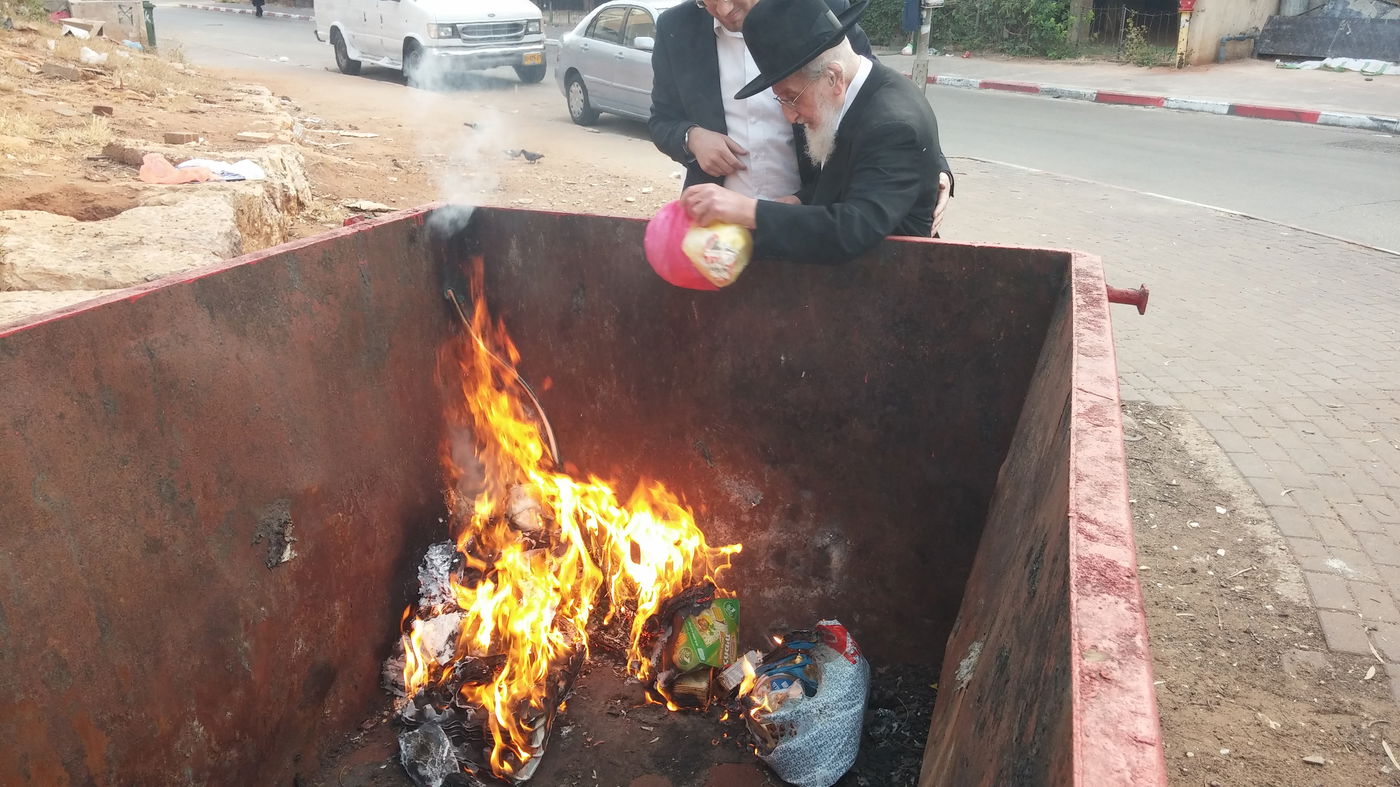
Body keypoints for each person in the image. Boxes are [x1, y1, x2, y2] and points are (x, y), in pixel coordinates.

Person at [649, 0, 953, 234]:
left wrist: (929, 164)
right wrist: (690, 137)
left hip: (815, 211)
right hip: (721, 226)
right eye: (707, 1)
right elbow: (661, 118)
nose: (724, 9)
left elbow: (868, 86)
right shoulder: (676, 28)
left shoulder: (815, 8)